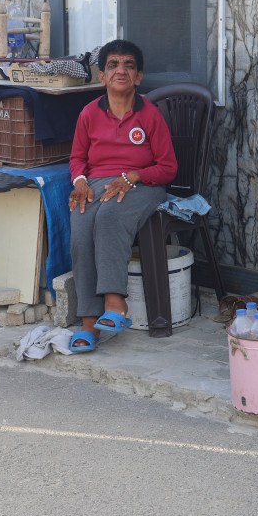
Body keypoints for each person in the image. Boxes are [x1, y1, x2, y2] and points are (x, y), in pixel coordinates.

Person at [67, 39, 177, 352]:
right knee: (81, 225)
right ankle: (89, 322)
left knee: (110, 215)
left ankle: (116, 304)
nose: (121, 70)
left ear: (138, 77)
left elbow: (168, 167)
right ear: (102, 76)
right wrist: (80, 181)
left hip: (144, 185)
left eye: (129, 65)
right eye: (113, 64)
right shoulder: (89, 113)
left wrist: (134, 176)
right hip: (98, 182)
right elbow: (77, 158)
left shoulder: (150, 115)